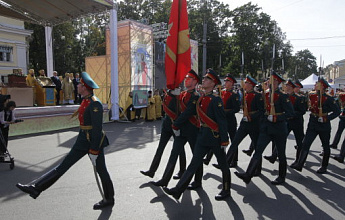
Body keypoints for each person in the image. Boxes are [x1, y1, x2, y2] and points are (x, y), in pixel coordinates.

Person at [16, 72, 115, 210]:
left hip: (93, 141)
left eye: (80, 84)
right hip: (82, 139)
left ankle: (109, 199)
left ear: (85, 87)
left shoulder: (94, 103)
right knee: (64, 165)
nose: (78, 86)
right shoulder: (86, 100)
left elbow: (97, 129)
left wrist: (94, 150)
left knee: (102, 170)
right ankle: (36, 188)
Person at [163, 68, 230, 201]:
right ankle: (178, 190)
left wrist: (224, 141)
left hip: (215, 137)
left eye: (207, 79)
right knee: (193, 164)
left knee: (223, 164)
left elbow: (222, 122)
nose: (203, 80)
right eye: (204, 78)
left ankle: (226, 189)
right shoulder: (202, 97)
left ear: (213, 83)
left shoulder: (216, 100)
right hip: (202, 135)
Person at [235, 72, 294, 185]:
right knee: (258, 150)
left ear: (277, 83)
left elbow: (290, 113)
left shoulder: (283, 96)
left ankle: (281, 176)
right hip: (266, 128)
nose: (268, 82)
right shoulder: (264, 95)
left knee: (281, 153)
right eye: (268, 81)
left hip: (279, 128)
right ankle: (248, 174)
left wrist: (277, 117)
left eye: (271, 81)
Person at [151, 69, 202, 188]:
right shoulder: (183, 94)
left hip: (192, 129)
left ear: (195, 81)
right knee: (173, 154)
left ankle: (197, 181)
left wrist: (175, 124)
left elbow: (187, 113)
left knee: (196, 156)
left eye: (189, 78)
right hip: (181, 130)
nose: (186, 80)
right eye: (186, 78)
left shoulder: (195, 96)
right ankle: (165, 179)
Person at [215, 75, 264, 173]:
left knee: (256, 146)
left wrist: (251, 117)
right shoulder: (244, 94)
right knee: (234, 143)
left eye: (246, 83)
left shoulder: (257, 96)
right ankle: (226, 163)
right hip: (244, 123)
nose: (244, 84)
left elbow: (261, 111)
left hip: (253, 124)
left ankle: (258, 169)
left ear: (251, 85)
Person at [291, 77, 340, 174]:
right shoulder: (311, 95)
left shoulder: (329, 98)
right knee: (305, 143)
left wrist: (327, 118)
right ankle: (300, 163)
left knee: (325, 146)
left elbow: (337, 111)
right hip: (313, 122)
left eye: (317, 84)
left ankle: (324, 166)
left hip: (324, 124)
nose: (315, 85)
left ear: (322, 87)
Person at [140, 90, 186, 179]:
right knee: (160, 148)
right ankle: (152, 171)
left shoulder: (178, 98)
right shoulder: (167, 96)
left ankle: (182, 170)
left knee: (180, 150)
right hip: (166, 125)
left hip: (175, 125)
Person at [264, 79, 306, 164]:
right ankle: (274, 155)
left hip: (297, 122)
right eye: (286, 85)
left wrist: (292, 114)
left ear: (292, 87)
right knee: (280, 139)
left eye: (289, 86)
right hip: (286, 121)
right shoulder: (282, 96)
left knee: (299, 141)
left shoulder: (299, 98)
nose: (287, 87)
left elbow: (302, 111)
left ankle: (298, 160)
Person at [206, 73, 240, 167]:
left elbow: (236, 109)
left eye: (228, 81)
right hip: (221, 120)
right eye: (225, 81)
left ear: (232, 83)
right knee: (218, 140)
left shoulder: (234, 95)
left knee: (234, 141)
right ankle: (220, 161)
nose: (225, 82)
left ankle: (234, 160)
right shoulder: (221, 92)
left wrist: (225, 112)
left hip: (230, 120)